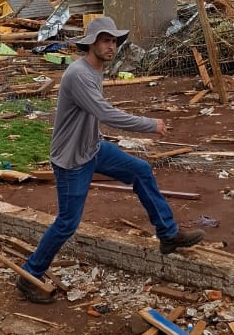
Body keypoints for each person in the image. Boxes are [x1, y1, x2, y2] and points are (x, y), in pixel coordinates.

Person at [16, 16, 203, 302]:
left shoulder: (95, 69)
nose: (111, 46)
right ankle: (30, 276)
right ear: (91, 43)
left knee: (140, 170)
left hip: (93, 148)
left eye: (113, 41)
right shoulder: (79, 74)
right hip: (72, 160)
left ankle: (168, 234)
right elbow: (105, 114)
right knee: (67, 222)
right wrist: (149, 125)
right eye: (105, 40)